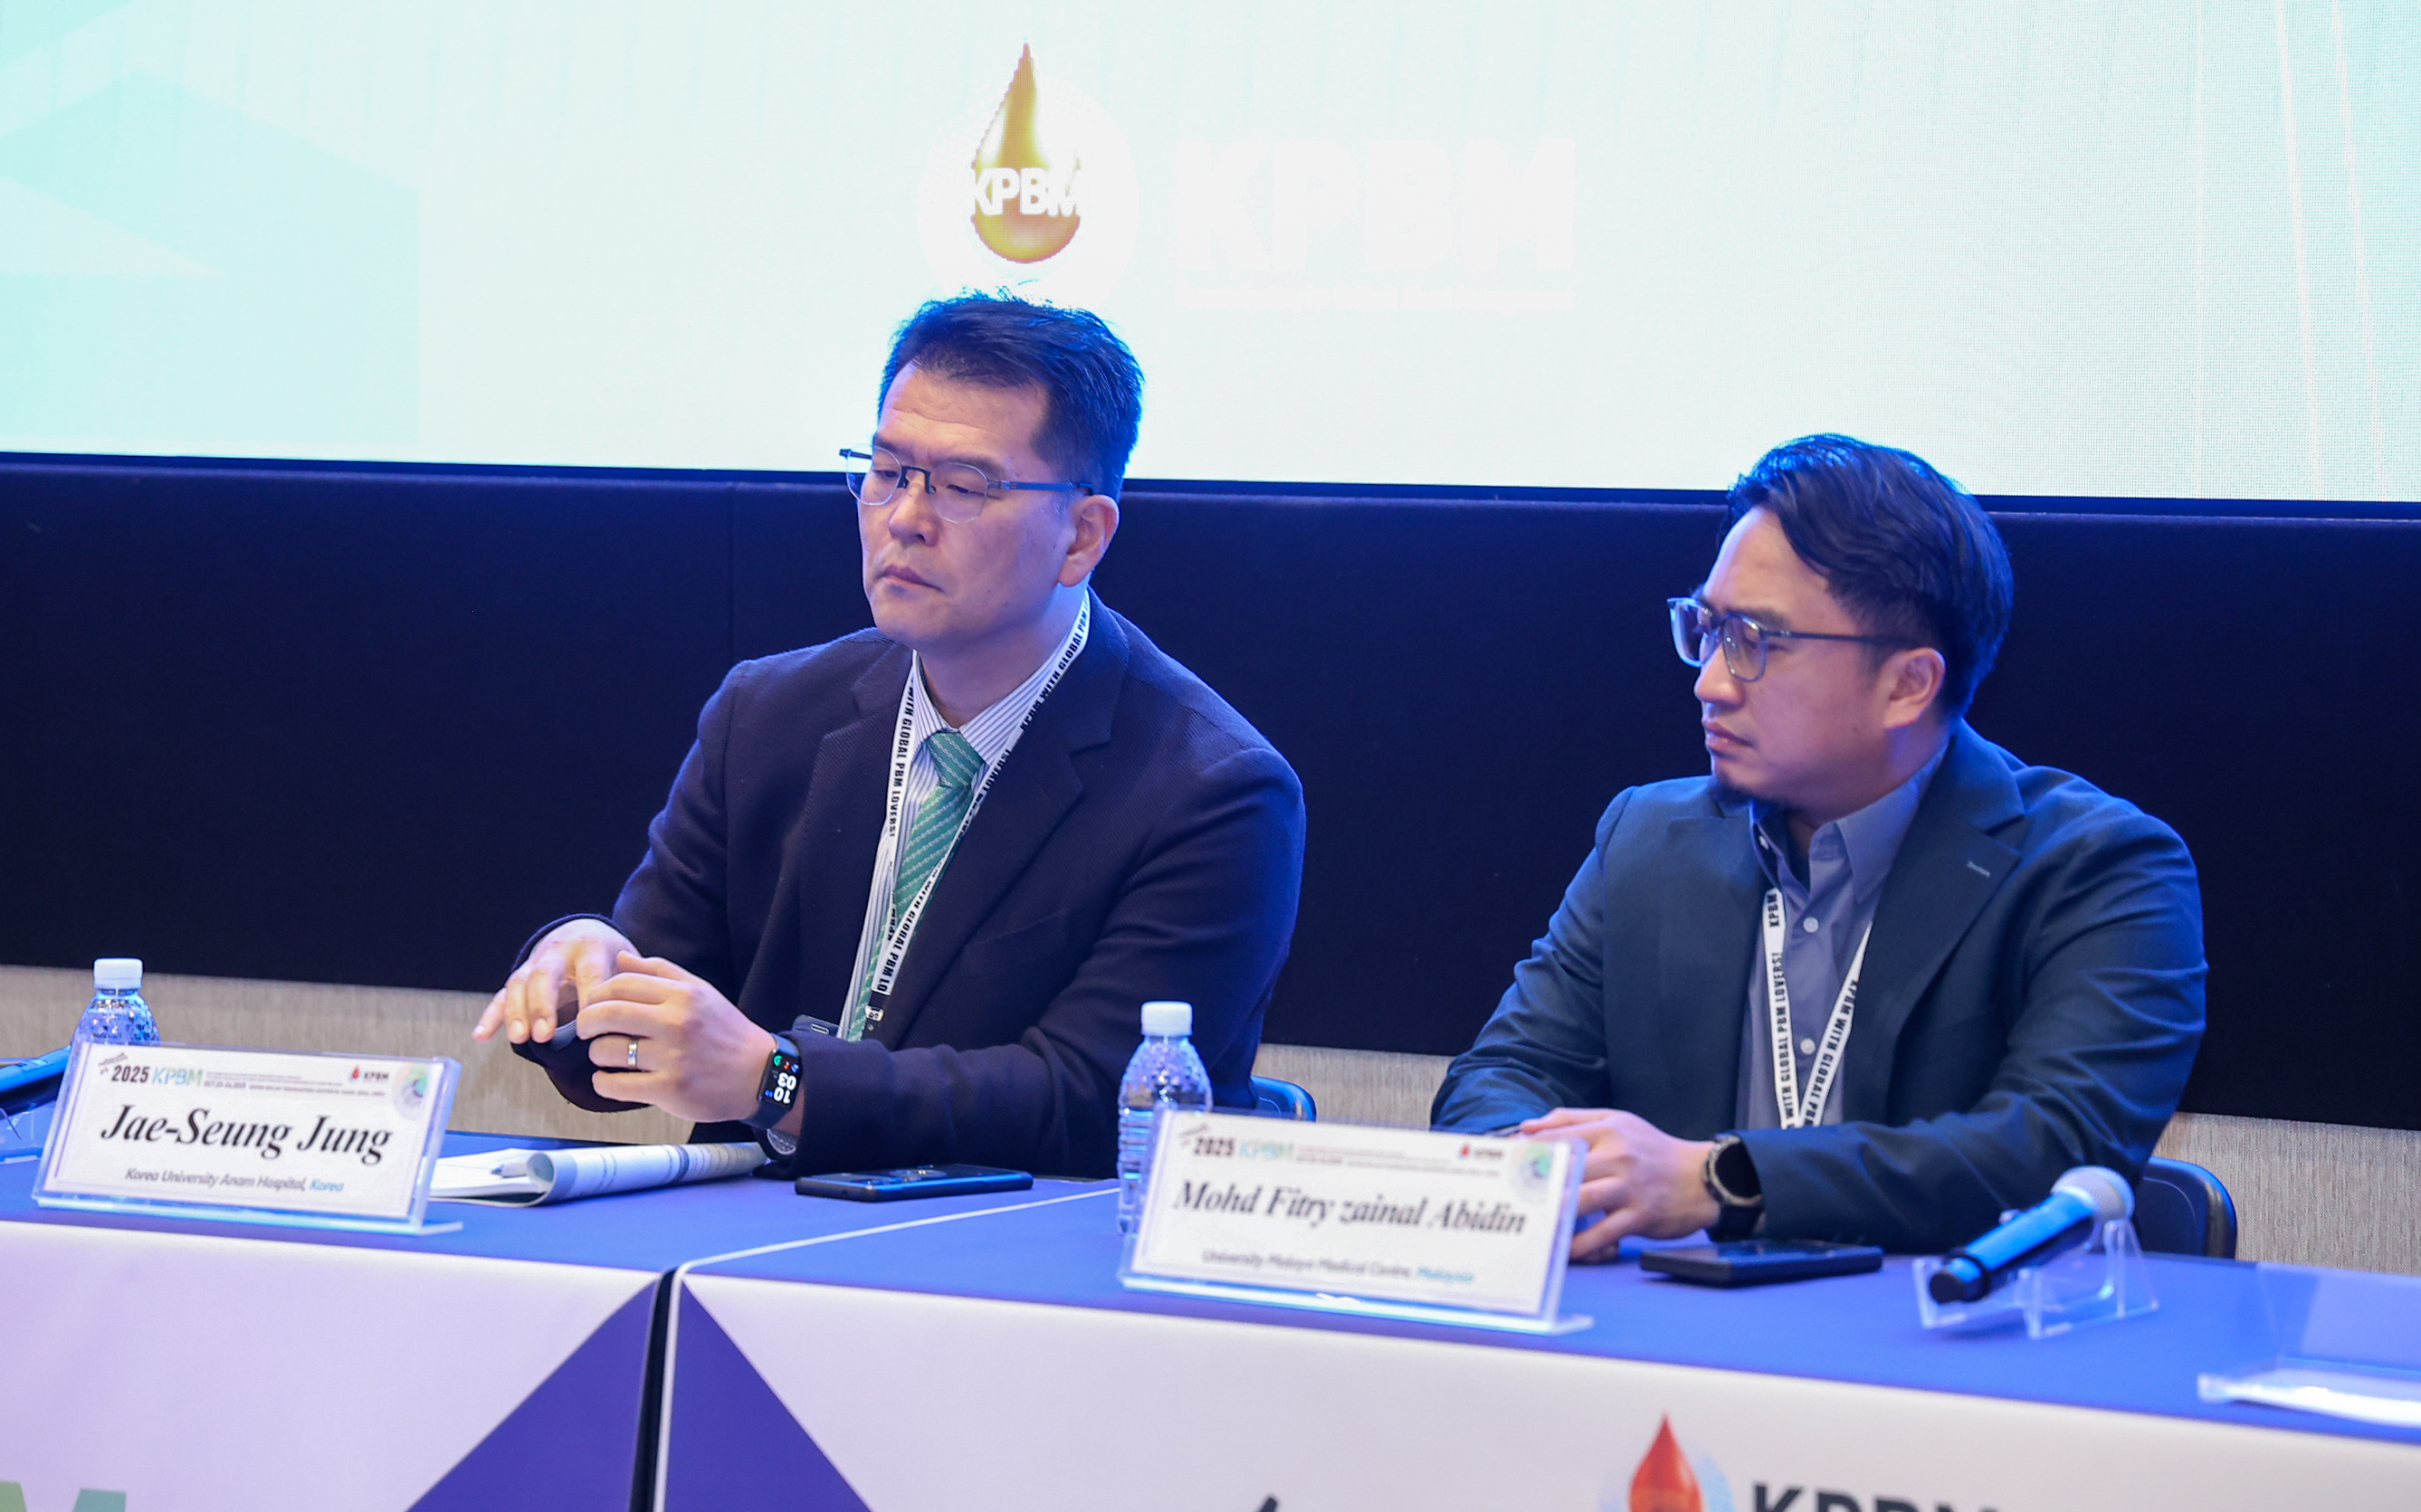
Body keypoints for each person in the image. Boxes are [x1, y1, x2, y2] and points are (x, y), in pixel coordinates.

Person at [472, 294, 1305, 1178]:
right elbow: (647, 1024)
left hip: (1014, 1245)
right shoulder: (765, 715)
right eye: (886, 470)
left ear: (1082, 535)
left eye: (962, 485)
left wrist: (776, 1079)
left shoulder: (1213, 793)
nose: (905, 516)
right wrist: (581, 977)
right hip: (747, 1235)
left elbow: (1091, 1100)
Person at [1433, 434, 2206, 1258]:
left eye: (1755, 640)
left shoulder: (2098, 869)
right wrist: (1543, 1170)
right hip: (1665, 1326)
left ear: (1907, 684)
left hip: (1937, 1329)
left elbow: (2050, 1149)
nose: (1708, 681)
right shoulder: (1646, 840)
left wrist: (1718, 1181)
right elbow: (1499, 1076)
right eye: (1707, 627)